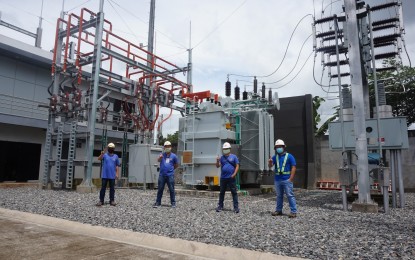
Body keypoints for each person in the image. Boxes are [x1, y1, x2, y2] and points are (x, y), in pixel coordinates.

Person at [268, 139, 297, 218]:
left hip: (286, 179)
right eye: (277, 147)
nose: (278, 148)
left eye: (280, 146)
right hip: (278, 179)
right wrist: (270, 163)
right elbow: (270, 166)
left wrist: (291, 178)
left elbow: (293, 167)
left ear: (283, 147)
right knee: (279, 196)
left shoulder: (289, 156)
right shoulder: (275, 157)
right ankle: (278, 210)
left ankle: (293, 211)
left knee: (290, 195)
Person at [215, 142, 240, 213]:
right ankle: (220, 206)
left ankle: (236, 207)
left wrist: (234, 174)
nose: (225, 150)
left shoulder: (234, 157)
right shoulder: (222, 158)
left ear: (230, 149)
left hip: (231, 177)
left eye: (226, 149)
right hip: (223, 178)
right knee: (222, 192)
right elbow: (217, 166)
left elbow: (237, 165)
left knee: (234, 192)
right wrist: (217, 161)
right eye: (224, 149)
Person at [153, 141, 178, 208]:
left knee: (171, 189)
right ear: (164, 147)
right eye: (166, 146)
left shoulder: (174, 156)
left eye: (168, 146)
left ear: (171, 147)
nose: (167, 148)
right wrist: (160, 158)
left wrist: (171, 170)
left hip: (170, 175)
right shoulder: (162, 155)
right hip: (162, 175)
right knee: (160, 189)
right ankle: (158, 202)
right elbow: (158, 160)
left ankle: (173, 203)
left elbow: (176, 165)